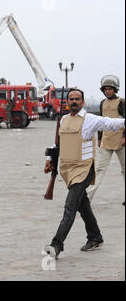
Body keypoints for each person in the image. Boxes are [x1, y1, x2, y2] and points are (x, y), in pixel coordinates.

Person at [43, 88, 125, 259]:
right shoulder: (63, 120)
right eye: (71, 99)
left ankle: (56, 245)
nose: (74, 101)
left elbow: (110, 123)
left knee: (70, 207)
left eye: (77, 99)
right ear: (67, 102)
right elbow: (57, 143)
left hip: (83, 170)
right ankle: (95, 237)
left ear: (83, 102)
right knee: (83, 205)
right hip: (67, 170)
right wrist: (50, 160)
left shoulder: (90, 119)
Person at [86, 75, 125, 205]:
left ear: (115, 89)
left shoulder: (121, 102)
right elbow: (100, 122)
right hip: (106, 141)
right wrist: (99, 138)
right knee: (99, 170)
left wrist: (124, 137)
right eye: (105, 89)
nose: (108, 91)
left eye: (110, 89)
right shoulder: (102, 103)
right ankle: (87, 197)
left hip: (121, 141)